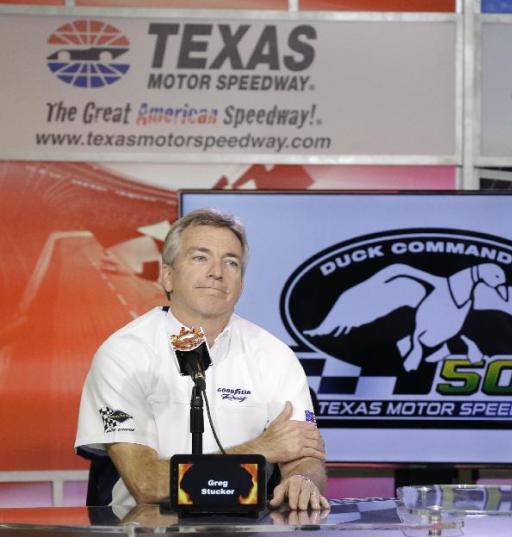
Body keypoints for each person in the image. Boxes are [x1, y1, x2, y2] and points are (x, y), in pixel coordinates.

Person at [75, 209, 329, 510]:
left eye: (231, 262)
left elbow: (304, 453)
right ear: (167, 276)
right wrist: (261, 449)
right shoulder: (124, 354)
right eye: (200, 257)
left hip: (248, 536)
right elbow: (146, 483)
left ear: (241, 285)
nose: (217, 272)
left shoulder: (275, 356)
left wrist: (303, 479)